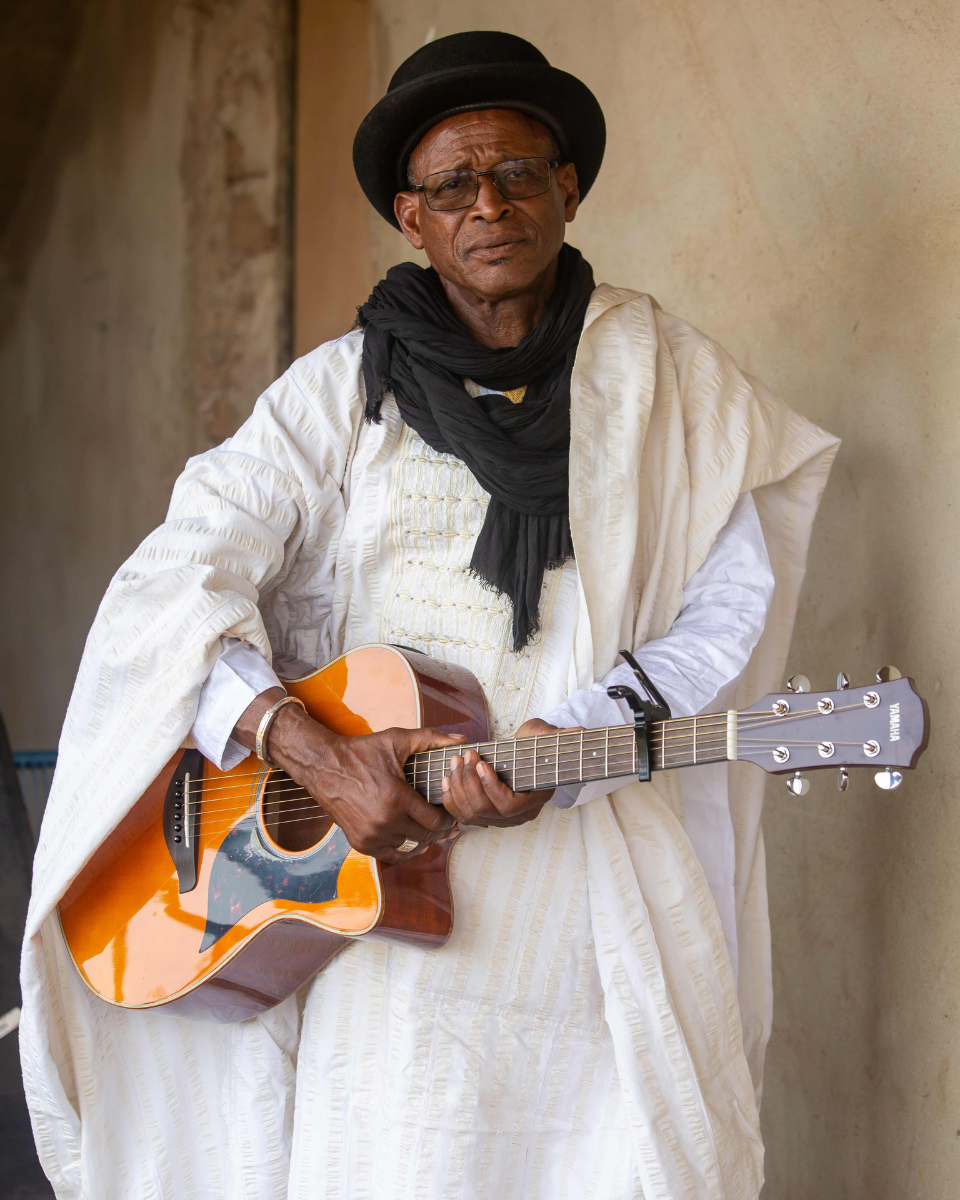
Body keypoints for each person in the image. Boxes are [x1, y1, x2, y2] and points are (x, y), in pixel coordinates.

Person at [21, 30, 839, 1200]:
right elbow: (172, 587)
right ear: (412, 218)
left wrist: (580, 737)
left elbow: (731, 606)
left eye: (517, 173)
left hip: (590, 891)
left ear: (569, 187)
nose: (489, 205)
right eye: (453, 184)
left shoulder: (672, 382)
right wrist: (314, 753)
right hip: (377, 912)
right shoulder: (336, 394)